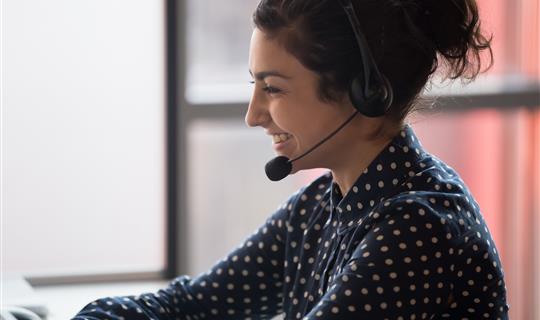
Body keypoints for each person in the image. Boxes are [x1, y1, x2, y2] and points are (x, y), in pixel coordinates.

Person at [73, 0, 510, 318]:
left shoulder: (419, 228)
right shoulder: (321, 206)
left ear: (363, 92)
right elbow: (192, 305)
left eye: (274, 88)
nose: (253, 115)